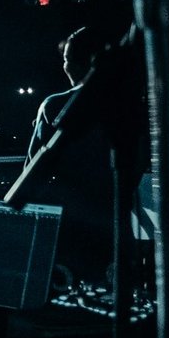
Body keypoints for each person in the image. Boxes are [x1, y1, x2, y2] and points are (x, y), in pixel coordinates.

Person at [25, 25, 119, 288]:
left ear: (84, 63)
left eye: (67, 60)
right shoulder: (130, 105)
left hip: (67, 224)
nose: (64, 67)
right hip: (116, 223)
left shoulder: (55, 105)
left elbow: (32, 170)